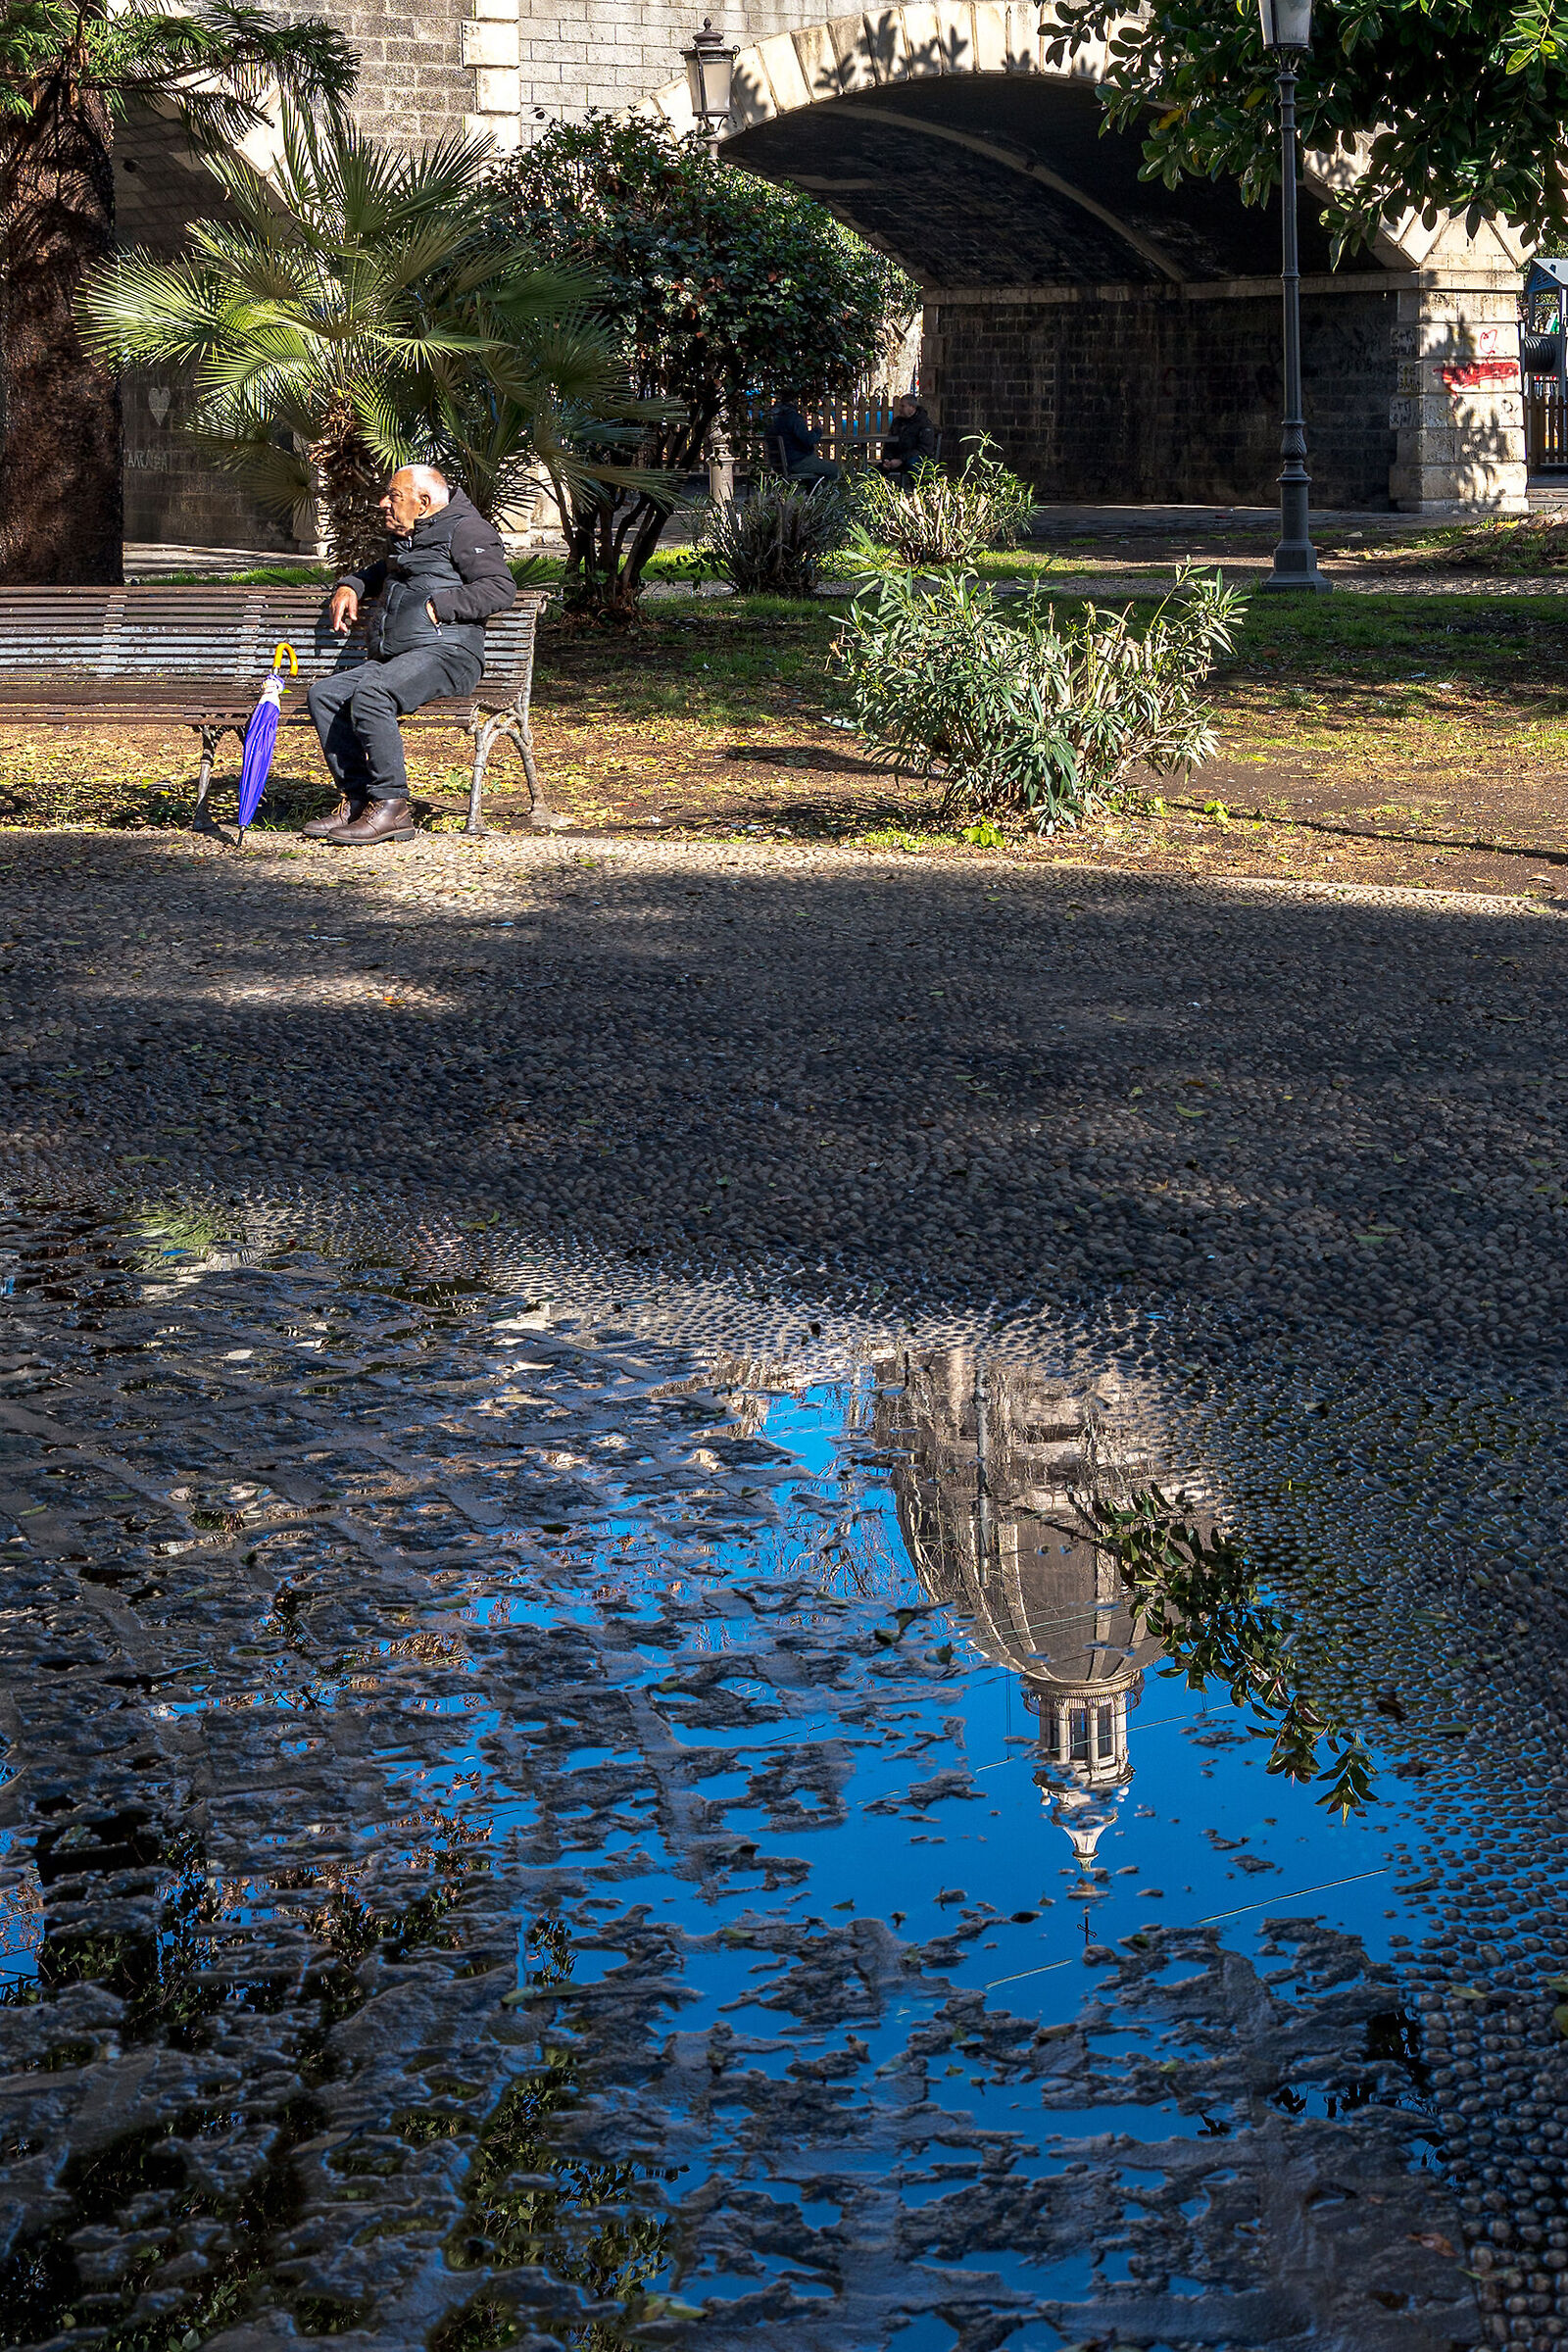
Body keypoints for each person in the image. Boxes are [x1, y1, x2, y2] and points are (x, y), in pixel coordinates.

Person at [304, 466, 516, 847]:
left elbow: (499, 588)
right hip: (401, 655)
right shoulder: (413, 535)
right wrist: (351, 585)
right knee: (326, 695)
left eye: (394, 496)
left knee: (373, 693)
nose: (383, 502)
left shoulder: (467, 530)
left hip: (450, 653)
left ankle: (392, 805)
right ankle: (358, 800)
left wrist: (440, 605)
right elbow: (383, 570)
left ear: (424, 502)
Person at [765, 390, 840, 483]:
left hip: (777, 463)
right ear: (794, 401)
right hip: (796, 461)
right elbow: (808, 440)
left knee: (813, 474)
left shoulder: (770, 417)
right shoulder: (793, 418)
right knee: (832, 469)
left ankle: (813, 493)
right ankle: (824, 495)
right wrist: (818, 430)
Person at [880, 393, 938, 485]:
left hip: (916, 459)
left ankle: (916, 492)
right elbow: (889, 443)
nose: (900, 409)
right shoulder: (897, 422)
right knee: (875, 471)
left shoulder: (924, 423)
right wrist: (887, 459)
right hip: (897, 458)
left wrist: (901, 460)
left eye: (903, 406)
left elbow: (924, 449)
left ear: (912, 407)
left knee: (913, 465)